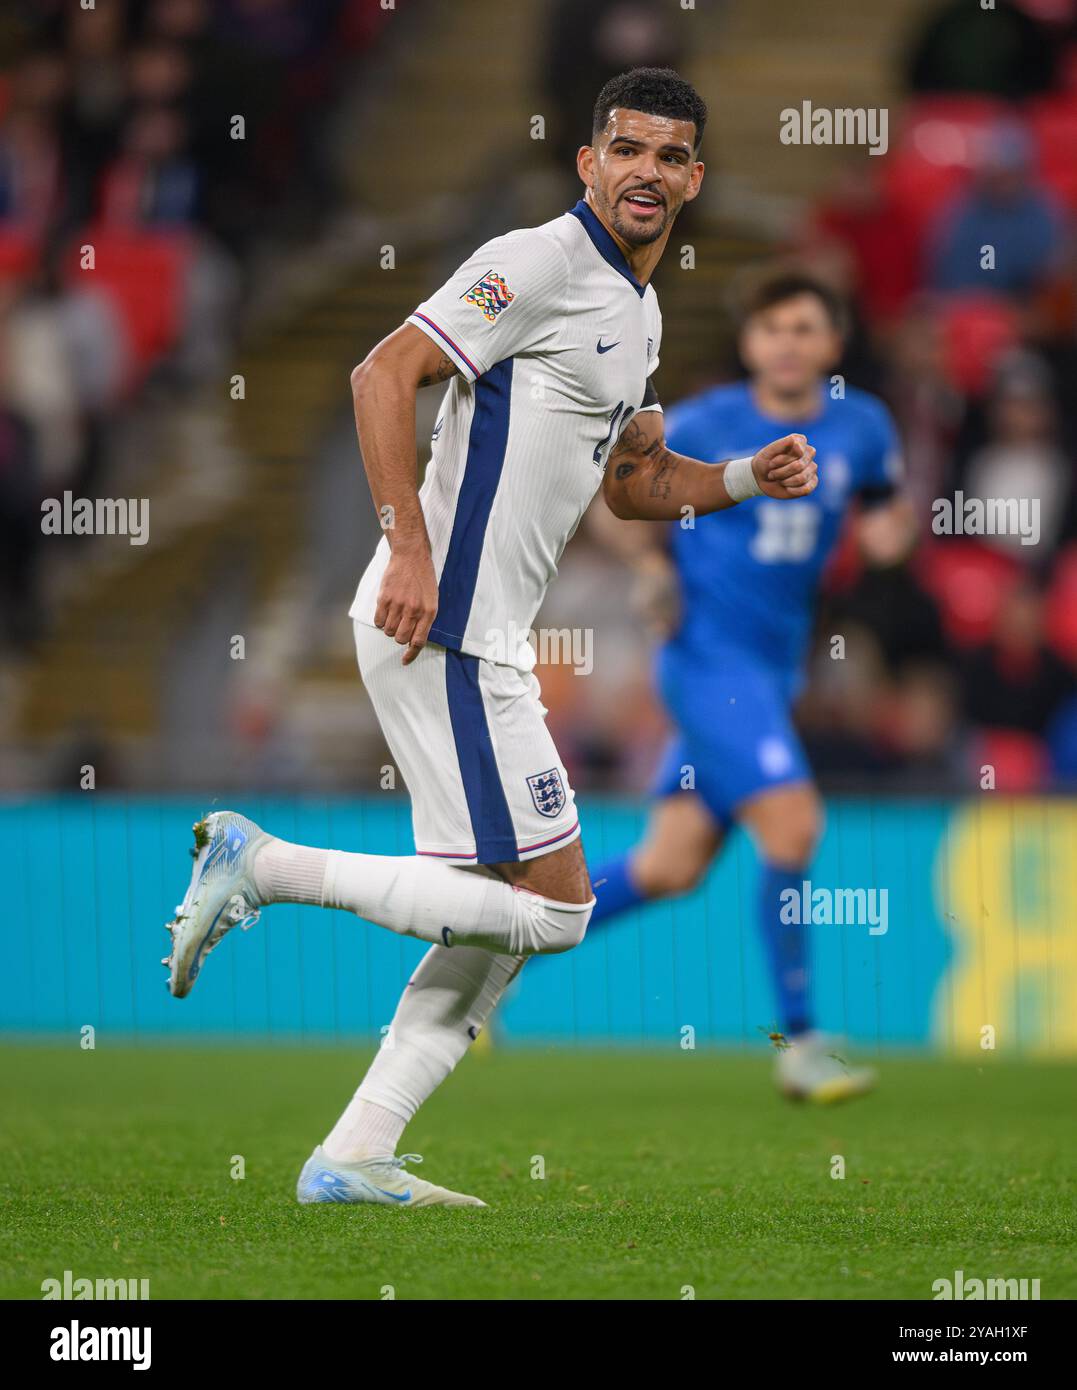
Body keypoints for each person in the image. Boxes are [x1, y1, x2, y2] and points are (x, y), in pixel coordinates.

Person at [162, 68, 818, 1205]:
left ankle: (353, 1155)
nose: (647, 172)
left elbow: (636, 486)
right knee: (560, 910)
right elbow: (383, 375)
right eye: (628, 149)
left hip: (481, 635)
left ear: (695, 178)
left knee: (504, 928)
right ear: (589, 161)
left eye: (670, 156)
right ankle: (258, 864)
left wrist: (745, 477)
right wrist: (405, 543)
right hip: (446, 623)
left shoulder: (639, 309)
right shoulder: (539, 261)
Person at [586, 270, 913, 1102]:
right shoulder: (705, 422)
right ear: (749, 343)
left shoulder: (862, 425)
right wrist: (651, 565)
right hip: (705, 662)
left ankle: (494, 947)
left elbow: (879, 512)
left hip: (771, 672)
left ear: (832, 344)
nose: (788, 343)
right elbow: (612, 499)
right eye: (772, 329)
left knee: (667, 867)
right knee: (794, 825)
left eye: (804, 328)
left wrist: (891, 535)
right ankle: (800, 1044)